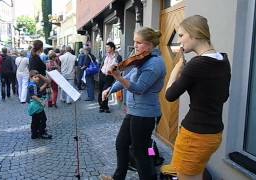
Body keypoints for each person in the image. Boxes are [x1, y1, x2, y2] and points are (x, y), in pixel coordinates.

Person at [165, 15, 231, 180]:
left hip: (194, 136)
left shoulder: (196, 64)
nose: (179, 40)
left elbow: (169, 95)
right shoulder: (223, 59)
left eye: (181, 35)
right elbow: (224, 96)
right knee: (196, 174)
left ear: (194, 33)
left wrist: (177, 69)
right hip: (214, 135)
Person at [101, 27, 166, 180]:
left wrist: (118, 77)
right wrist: (110, 89)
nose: (135, 46)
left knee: (140, 151)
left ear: (150, 45)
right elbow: (128, 77)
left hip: (145, 115)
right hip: (134, 112)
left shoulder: (155, 64)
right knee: (121, 144)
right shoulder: (141, 61)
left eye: (139, 43)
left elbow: (139, 89)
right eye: (134, 42)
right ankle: (118, 177)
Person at [98, 42, 122, 113]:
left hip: (110, 76)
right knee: (100, 91)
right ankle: (101, 106)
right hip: (102, 74)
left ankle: (106, 107)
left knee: (106, 91)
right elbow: (102, 64)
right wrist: (100, 72)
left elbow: (119, 67)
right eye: (106, 47)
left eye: (108, 47)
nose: (106, 49)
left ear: (112, 48)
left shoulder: (117, 57)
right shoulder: (105, 56)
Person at [28, 70, 52, 139]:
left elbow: (39, 90)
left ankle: (35, 133)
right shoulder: (32, 85)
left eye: (38, 77)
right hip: (36, 105)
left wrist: (45, 84)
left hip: (36, 105)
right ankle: (41, 133)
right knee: (43, 119)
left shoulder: (34, 85)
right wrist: (41, 102)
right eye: (35, 77)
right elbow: (33, 96)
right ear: (31, 77)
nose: (37, 78)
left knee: (36, 120)